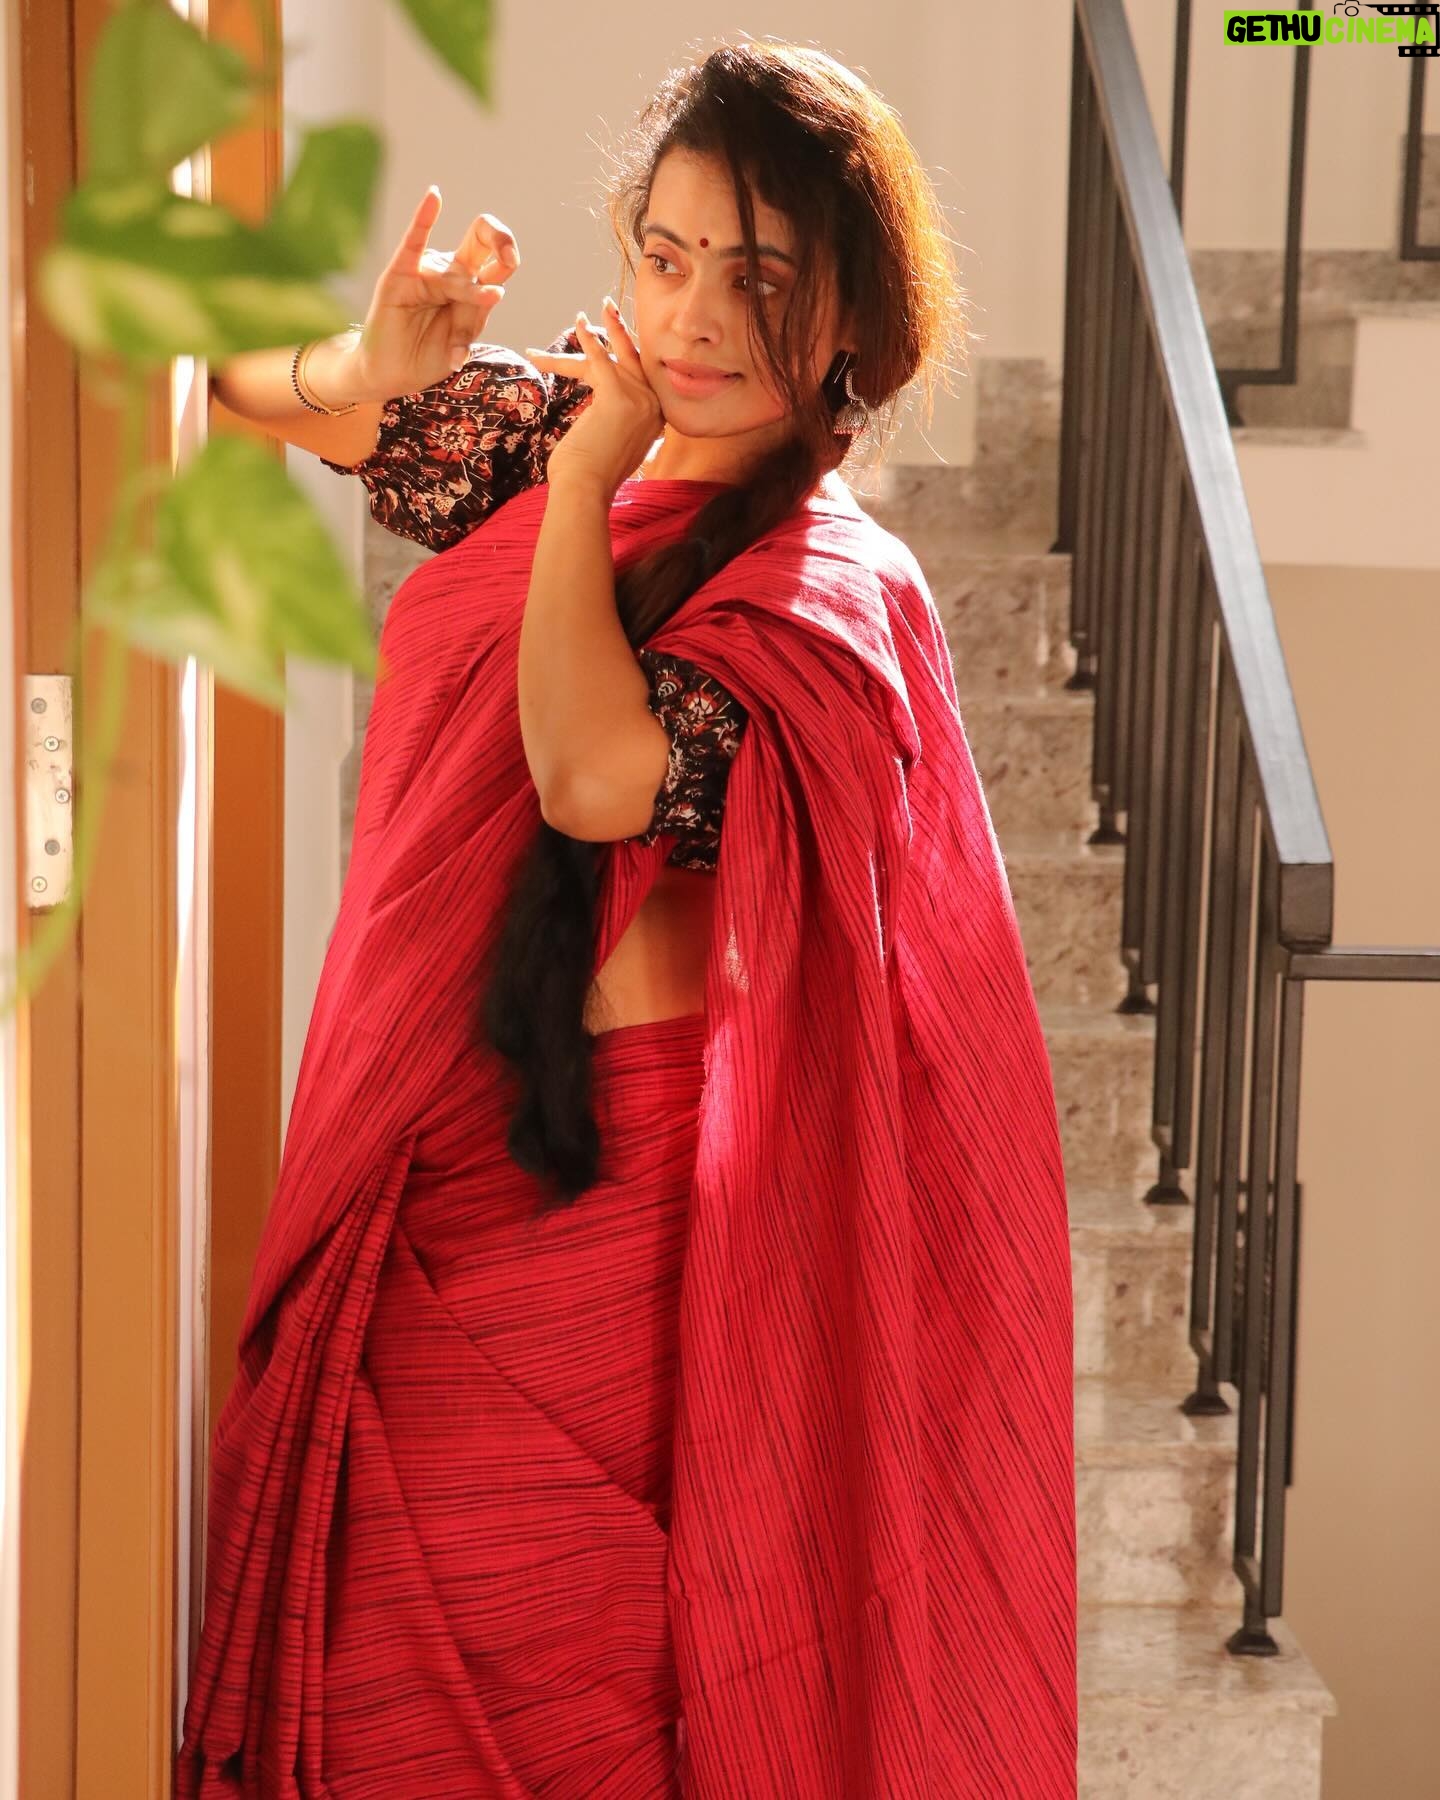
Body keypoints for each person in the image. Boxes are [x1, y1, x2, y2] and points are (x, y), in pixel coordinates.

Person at [176, 37, 1077, 1800]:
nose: (695, 316)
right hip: (454, 1183)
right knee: (384, 1691)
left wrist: (584, 485)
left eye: (758, 277)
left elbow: (595, 774)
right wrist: (372, 363)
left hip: (647, 1241)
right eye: (666, 258)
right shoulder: (568, 437)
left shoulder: (837, 598)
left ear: (849, 309)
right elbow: (232, 390)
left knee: (593, 1695)